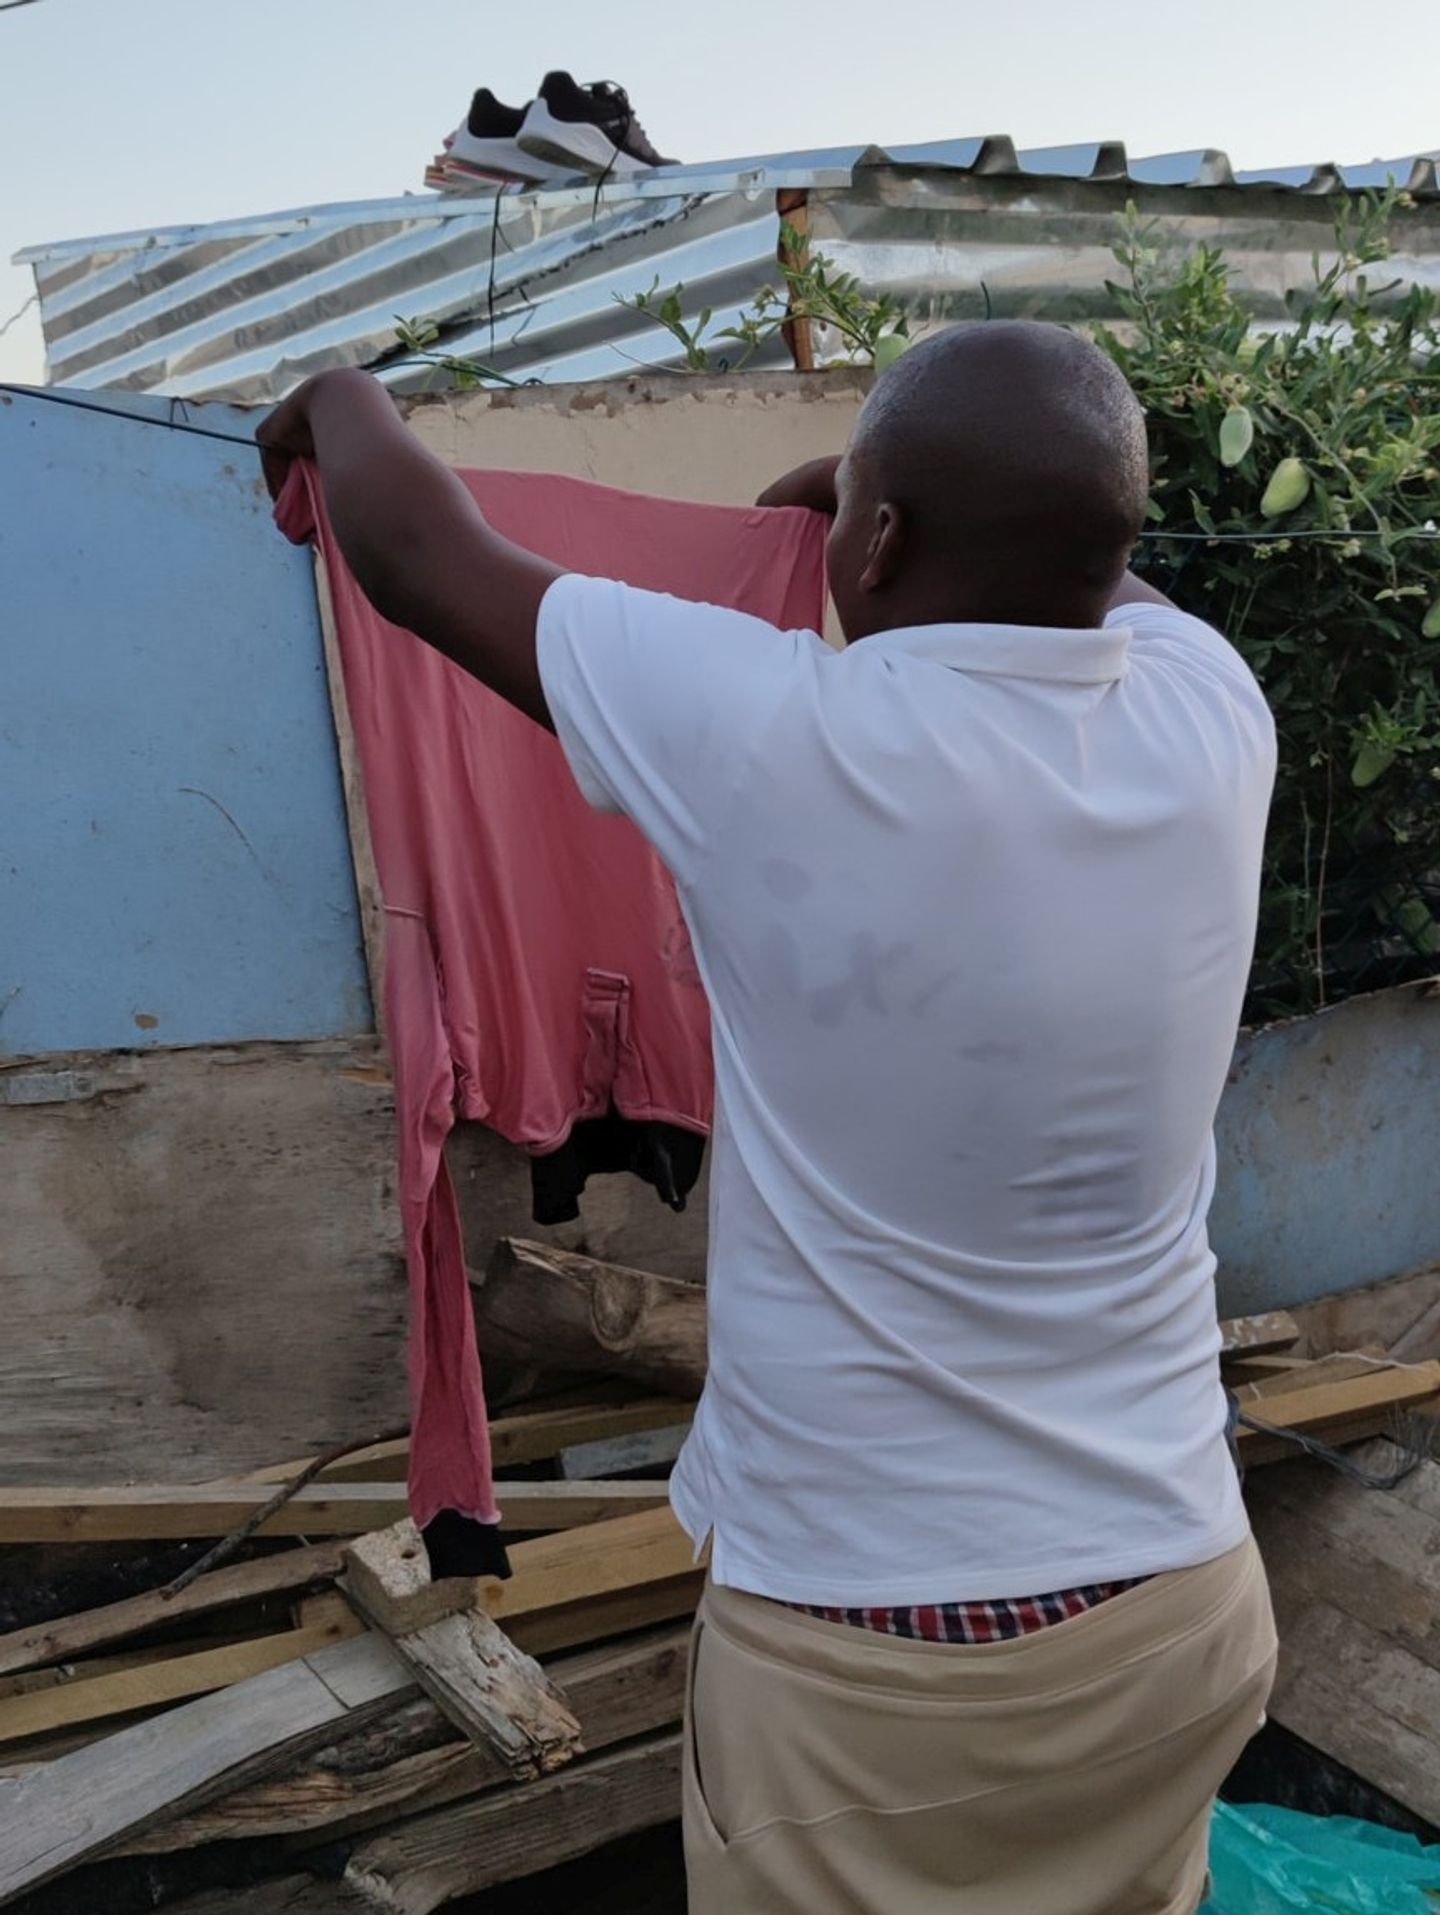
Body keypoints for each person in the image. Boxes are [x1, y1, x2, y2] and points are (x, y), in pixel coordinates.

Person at [258, 322, 1278, 1915]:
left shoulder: (782, 734)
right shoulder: (1215, 723)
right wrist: (881, 501)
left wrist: (336, 400)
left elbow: (413, 553)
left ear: (874, 540)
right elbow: (1093, 568)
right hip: (1179, 1614)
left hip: (873, 1669)